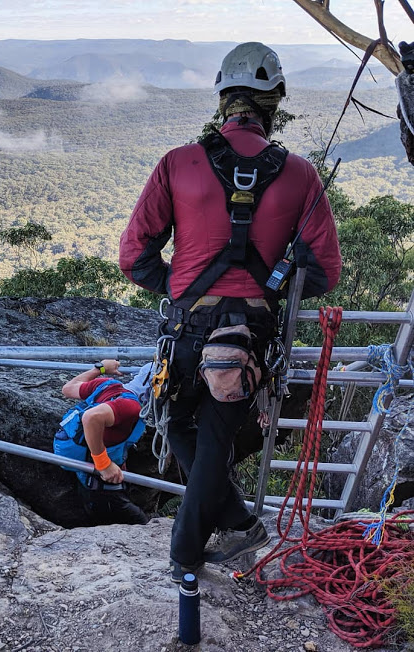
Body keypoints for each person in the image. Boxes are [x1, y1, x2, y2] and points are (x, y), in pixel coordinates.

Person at [119, 43, 342, 581]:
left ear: (224, 101)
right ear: (274, 103)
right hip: (254, 332)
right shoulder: (300, 176)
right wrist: (271, 281)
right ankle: (240, 522)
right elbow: (324, 271)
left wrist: (179, 287)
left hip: (189, 325)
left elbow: (134, 257)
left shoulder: (179, 163)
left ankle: (186, 556)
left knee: (174, 420)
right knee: (214, 440)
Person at [60, 359, 153, 525]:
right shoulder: (131, 407)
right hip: (99, 480)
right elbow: (91, 417)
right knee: (142, 525)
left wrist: (100, 368)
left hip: (85, 466)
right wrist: (103, 464)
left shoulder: (108, 385)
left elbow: (67, 389)